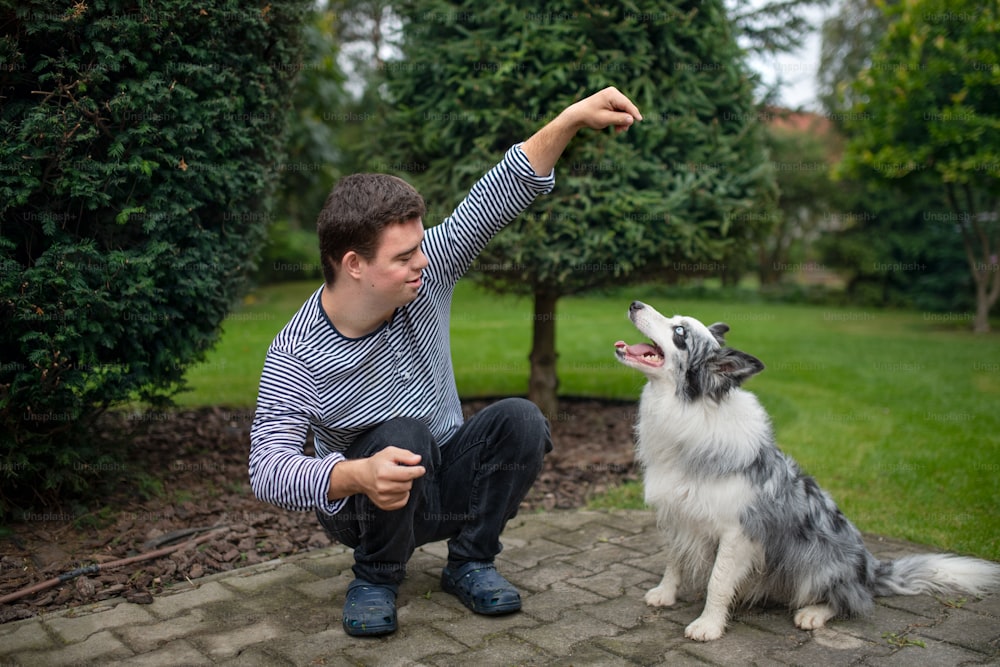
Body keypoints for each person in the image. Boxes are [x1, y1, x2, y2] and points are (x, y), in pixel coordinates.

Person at [249, 87, 643, 636]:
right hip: (367, 507)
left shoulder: (425, 278)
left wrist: (572, 120)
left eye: (420, 247)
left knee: (521, 419)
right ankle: (378, 577)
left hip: (445, 483)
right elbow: (267, 468)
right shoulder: (297, 353)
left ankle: (471, 562)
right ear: (354, 265)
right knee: (402, 433)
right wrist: (355, 473)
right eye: (404, 256)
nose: (424, 261)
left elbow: (499, 193)